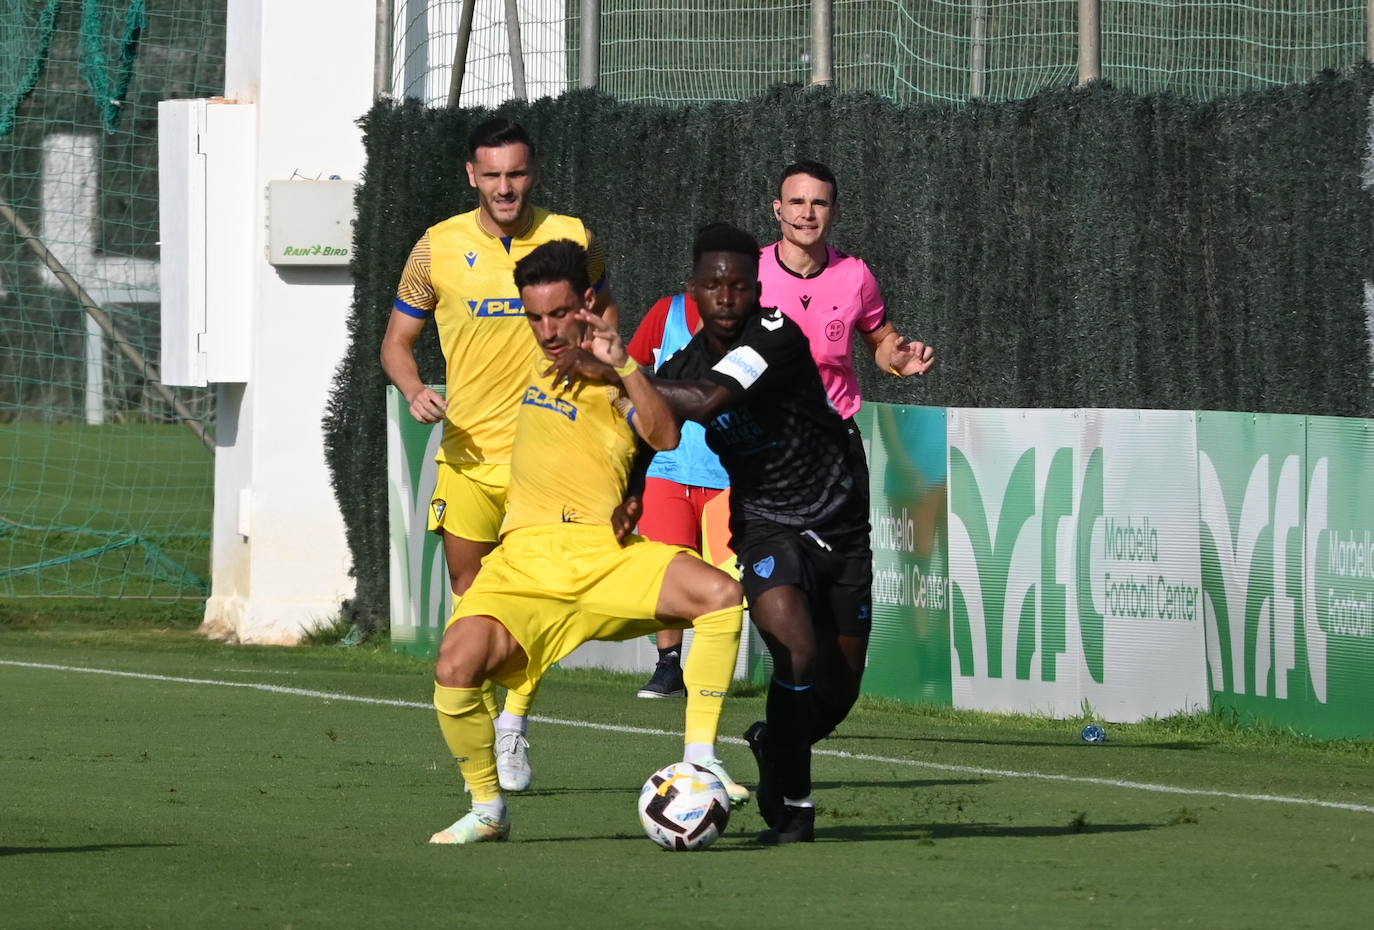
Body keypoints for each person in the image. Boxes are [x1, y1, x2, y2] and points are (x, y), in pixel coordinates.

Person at [557, 223, 874, 845]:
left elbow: (703, 403)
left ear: (756, 288)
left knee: (836, 694)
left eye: (737, 285)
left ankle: (771, 741)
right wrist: (631, 488)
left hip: (838, 521)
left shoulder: (776, 334)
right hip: (765, 525)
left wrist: (618, 373)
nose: (726, 295)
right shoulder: (682, 359)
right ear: (693, 291)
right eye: (713, 284)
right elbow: (656, 424)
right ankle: (795, 811)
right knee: (795, 651)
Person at [428, 239, 748, 845]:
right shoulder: (528, 360)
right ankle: (488, 809)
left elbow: (666, 436)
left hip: (601, 559)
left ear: (590, 305)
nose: (547, 331)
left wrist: (622, 366)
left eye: (559, 314)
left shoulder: (619, 377)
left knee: (722, 595)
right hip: (522, 563)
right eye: (535, 317)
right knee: (454, 665)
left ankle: (702, 757)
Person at [381, 118, 616, 794]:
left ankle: (512, 726)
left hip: (544, 462)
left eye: (516, 174)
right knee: (471, 596)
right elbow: (397, 341)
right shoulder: (437, 248)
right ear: (472, 176)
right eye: (493, 175)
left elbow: (606, 313)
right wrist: (416, 387)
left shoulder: (570, 235)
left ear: (532, 172)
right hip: (465, 455)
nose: (505, 187)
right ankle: (482, 724)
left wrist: (595, 372)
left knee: (530, 603)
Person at [762, 159, 935, 502]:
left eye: (819, 203)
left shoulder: (856, 275)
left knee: (845, 555)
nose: (807, 213)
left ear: (835, 212)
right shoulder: (746, 274)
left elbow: (881, 338)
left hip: (835, 439)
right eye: (797, 202)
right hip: (765, 443)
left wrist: (897, 360)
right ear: (778, 210)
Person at [624, 292, 732, 699]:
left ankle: (711, 677)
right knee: (667, 574)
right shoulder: (666, 312)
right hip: (667, 472)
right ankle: (668, 667)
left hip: (730, 475)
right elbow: (630, 374)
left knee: (729, 584)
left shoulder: (756, 322)